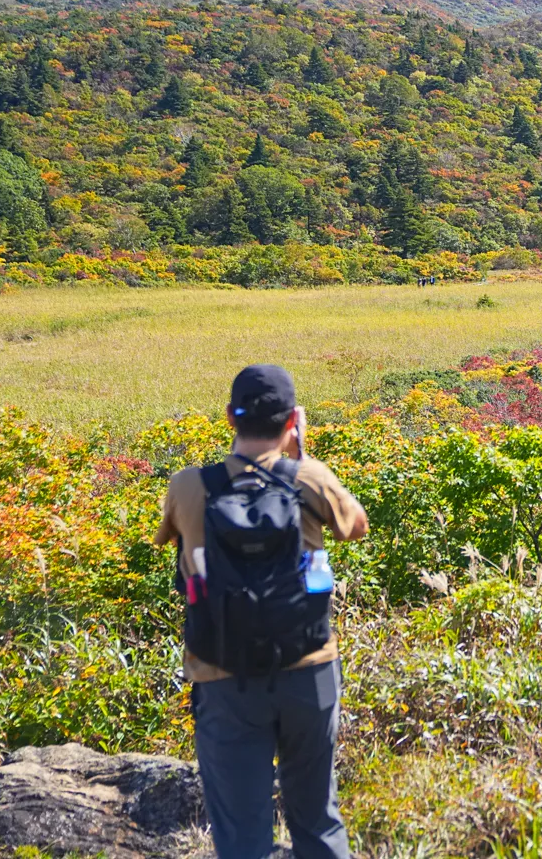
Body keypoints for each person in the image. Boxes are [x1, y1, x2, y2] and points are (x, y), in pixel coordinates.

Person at [154, 364, 369, 859]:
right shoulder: (309, 479)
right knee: (317, 820)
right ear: (293, 419)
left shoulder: (189, 486)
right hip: (308, 670)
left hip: (221, 674)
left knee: (242, 836)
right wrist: (302, 458)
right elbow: (355, 525)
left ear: (230, 416)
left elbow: (170, 541)